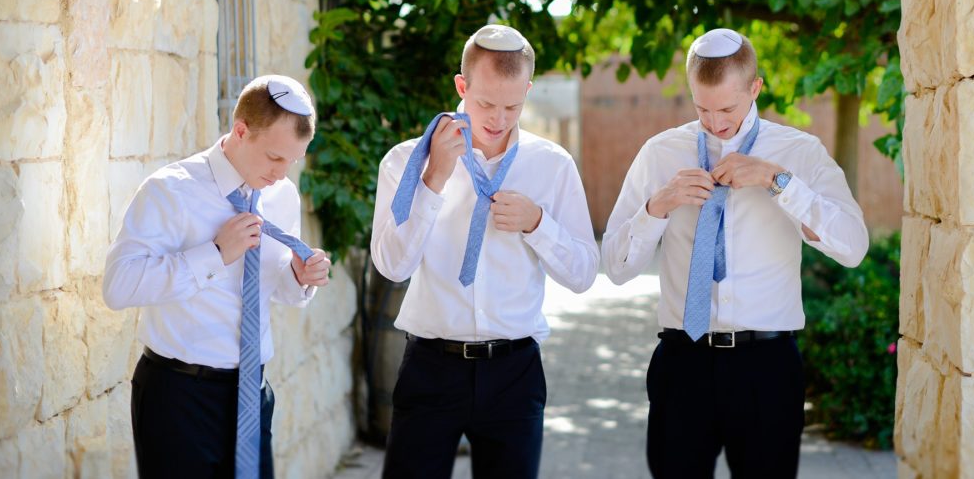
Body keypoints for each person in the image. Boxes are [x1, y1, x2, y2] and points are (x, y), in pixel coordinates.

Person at [602, 29, 869, 478]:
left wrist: (779, 183)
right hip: (681, 362)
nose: (715, 122)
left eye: (727, 108)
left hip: (767, 366)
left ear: (755, 88)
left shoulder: (798, 153)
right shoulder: (660, 153)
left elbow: (853, 247)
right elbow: (615, 265)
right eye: (702, 108)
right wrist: (657, 206)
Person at [371, 24, 600, 479]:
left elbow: (583, 274)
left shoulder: (551, 165)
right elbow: (392, 264)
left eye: (513, 105)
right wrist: (433, 180)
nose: (498, 118)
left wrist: (538, 224)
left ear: (528, 90)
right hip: (430, 368)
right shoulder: (406, 161)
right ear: (462, 86)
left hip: (514, 373)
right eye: (485, 104)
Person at [103, 75, 333, 479]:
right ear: (240, 131)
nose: (282, 174)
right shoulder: (170, 190)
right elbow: (118, 286)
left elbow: (274, 285)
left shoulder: (280, 195)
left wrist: (298, 277)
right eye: (275, 158)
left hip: (252, 394)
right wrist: (213, 254)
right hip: (178, 396)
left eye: (293, 161)